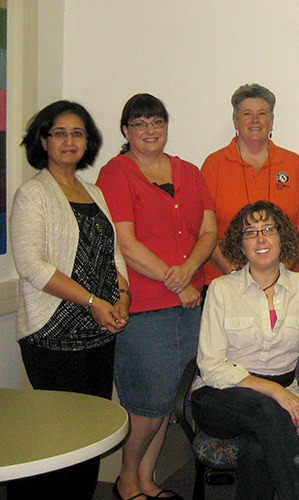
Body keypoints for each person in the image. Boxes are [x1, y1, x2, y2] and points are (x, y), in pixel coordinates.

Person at [97, 93, 217, 500]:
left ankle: (147, 480)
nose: (150, 130)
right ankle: (126, 480)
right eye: (140, 123)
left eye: (157, 121)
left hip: (189, 307)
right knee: (146, 404)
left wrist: (189, 271)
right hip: (145, 308)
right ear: (125, 130)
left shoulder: (189, 171)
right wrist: (177, 280)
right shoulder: (116, 173)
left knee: (168, 401)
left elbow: (209, 231)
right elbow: (125, 244)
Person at [8, 101, 130, 500]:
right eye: (59, 133)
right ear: (43, 141)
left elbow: (113, 255)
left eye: (77, 133)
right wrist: (93, 301)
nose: (69, 141)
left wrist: (122, 297)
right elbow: (32, 266)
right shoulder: (33, 193)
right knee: (55, 439)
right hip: (53, 334)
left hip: (99, 332)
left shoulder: (94, 192)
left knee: (90, 436)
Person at [191, 201, 299, 500]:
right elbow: (211, 366)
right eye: (250, 232)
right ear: (240, 245)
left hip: (280, 401)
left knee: (257, 446)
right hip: (219, 397)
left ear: (283, 237)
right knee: (269, 410)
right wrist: (276, 392)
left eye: (268, 229)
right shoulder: (221, 290)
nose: (260, 238)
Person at [202, 83, 299, 283]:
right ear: (235, 120)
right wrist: (237, 276)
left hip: (284, 283)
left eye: (262, 113)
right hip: (226, 283)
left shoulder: (292, 163)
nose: (255, 120)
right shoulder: (214, 165)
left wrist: (276, 274)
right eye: (247, 114)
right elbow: (203, 229)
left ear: (271, 120)